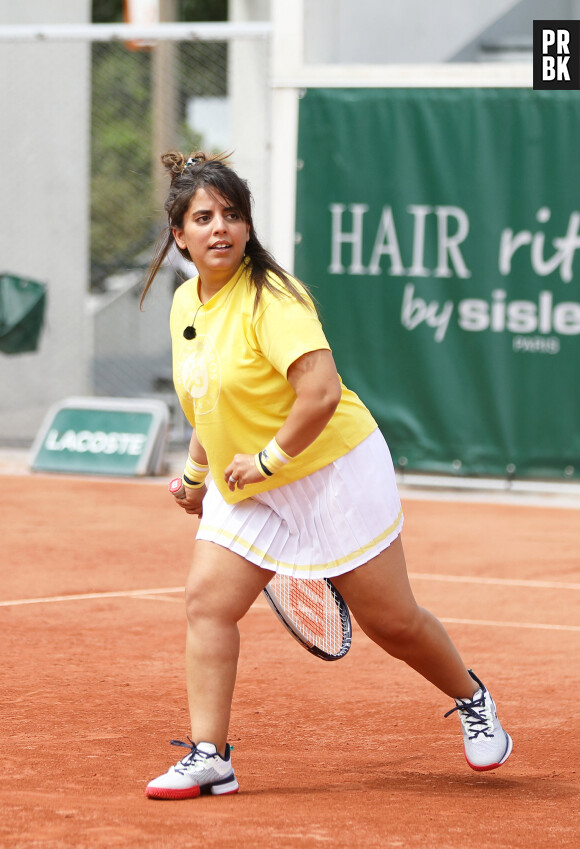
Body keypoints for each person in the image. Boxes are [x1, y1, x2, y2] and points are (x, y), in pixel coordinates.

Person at [141, 151, 513, 800]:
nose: (220, 228)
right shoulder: (185, 305)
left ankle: (472, 695)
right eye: (204, 218)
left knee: (392, 622)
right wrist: (197, 474)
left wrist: (265, 462)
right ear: (180, 234)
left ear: (249, 227)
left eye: (233, 214)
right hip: (248, 477)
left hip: (327, 466)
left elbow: (319, 393)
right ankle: (210, 755)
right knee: (208, 601)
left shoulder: (273, 298)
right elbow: (206, 397)